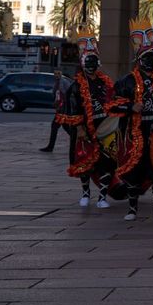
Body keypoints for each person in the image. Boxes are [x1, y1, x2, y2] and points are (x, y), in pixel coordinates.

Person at [109, 16, 153, 223]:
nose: (151, 61)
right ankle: (132, 209)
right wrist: (131, 106)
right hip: (136, 131)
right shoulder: (126, 81)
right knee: (134, 170)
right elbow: (110, 105)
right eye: (147, 57)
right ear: (139, 59)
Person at [58, 32, 117, 208]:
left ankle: (102, 197)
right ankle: (85, 194)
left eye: (94, 61)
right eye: (88, 62)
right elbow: (72, 109)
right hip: (84, 130)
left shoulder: (105, 82)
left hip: (105, 129)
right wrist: (80, 129)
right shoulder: (76, 86)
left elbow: (113, 101)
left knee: (108, 163)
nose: (91, 65)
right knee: (85, 163)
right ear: (83, 63)